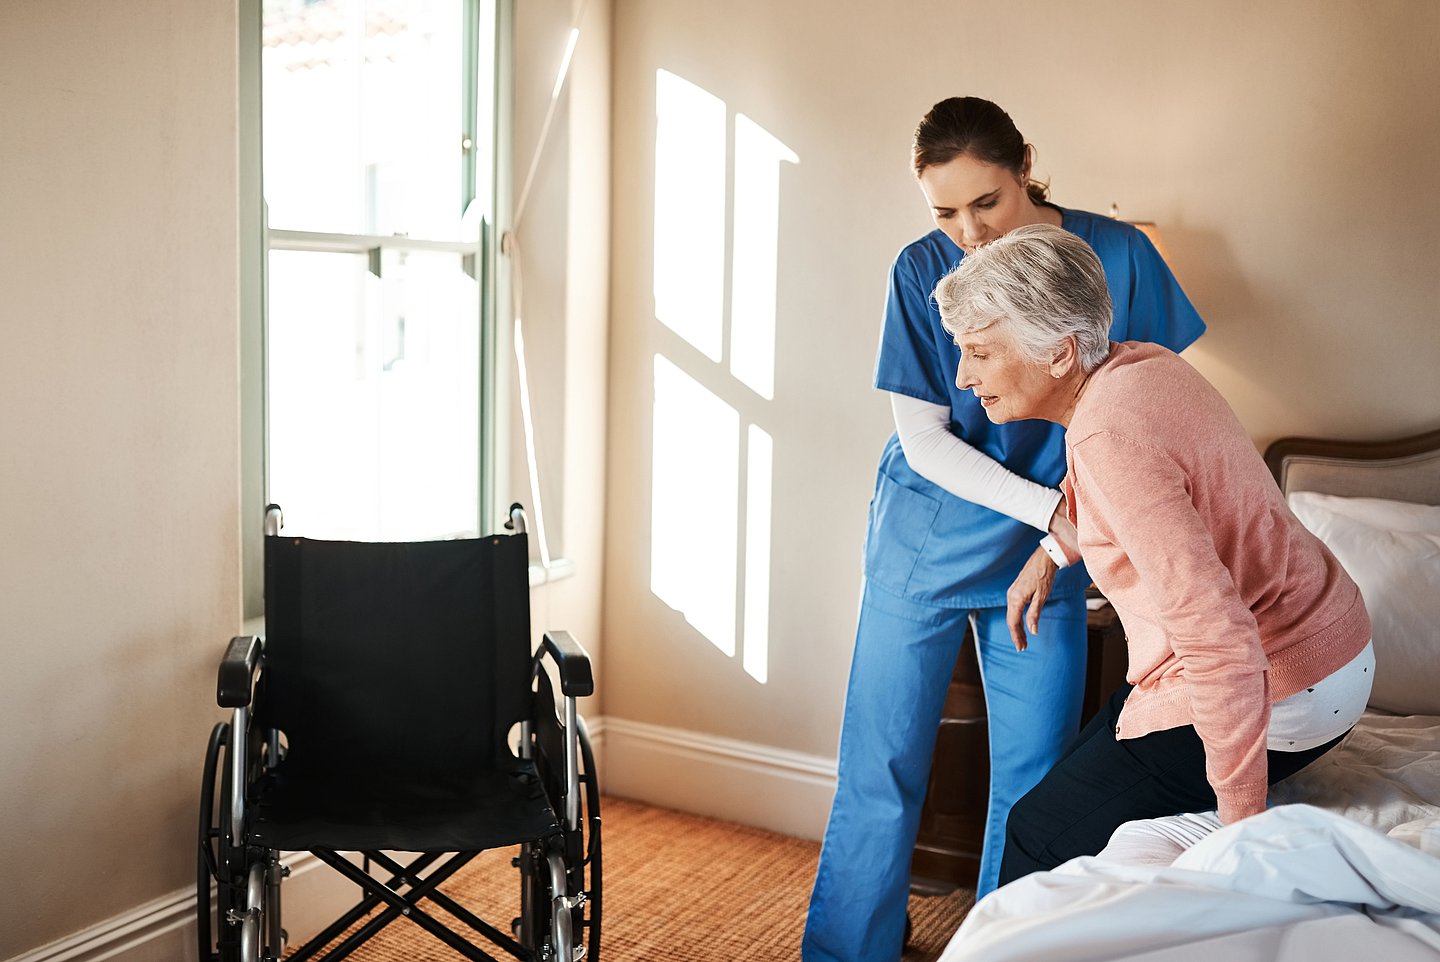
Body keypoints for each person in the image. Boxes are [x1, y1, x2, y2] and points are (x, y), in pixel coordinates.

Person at [802, 97, 1206, 962]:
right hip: (930, 537)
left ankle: (1002, 947)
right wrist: (1057, 515)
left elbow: (1149, 392)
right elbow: (923, 441)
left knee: (1033, 779)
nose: (970, 232)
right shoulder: (920, 272)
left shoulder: (1121, 255)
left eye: (986, 201)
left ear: (1026, 165)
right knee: (882, 769)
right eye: (945, 210)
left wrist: (1082, 529)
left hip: (1047, 555)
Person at [929, 223, 1373, 885]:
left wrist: (1241, 826)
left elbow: (1217, 634)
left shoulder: (1108, 433)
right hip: (1335, 651)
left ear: (1059, 353)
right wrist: (1050, 551)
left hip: (1281, 682)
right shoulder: (1140, 366)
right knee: (1104, 740)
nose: (964, 377)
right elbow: (1120, 490)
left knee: (1036, 834)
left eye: (981, 354)